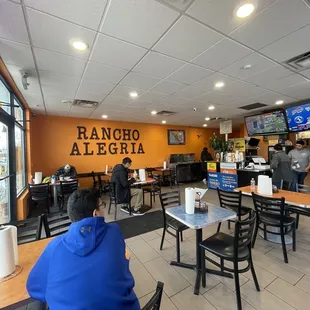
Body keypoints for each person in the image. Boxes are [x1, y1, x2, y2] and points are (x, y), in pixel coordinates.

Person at [26, 189, 140, 310]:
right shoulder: (114, 232)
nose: (104, 209)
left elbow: (34, 288)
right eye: (102, 206)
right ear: (95, 213)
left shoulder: (54, 247)